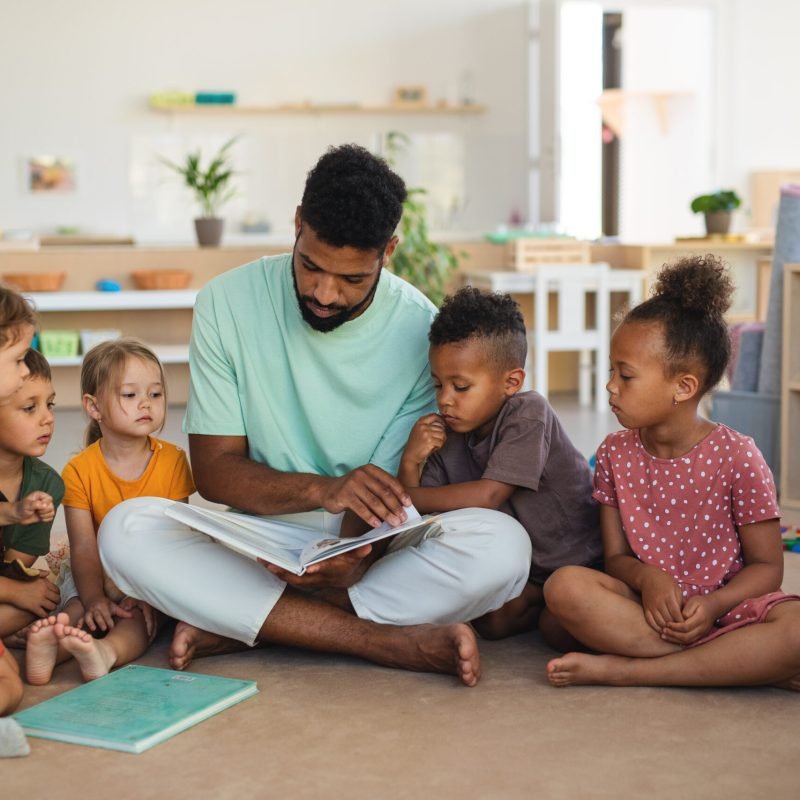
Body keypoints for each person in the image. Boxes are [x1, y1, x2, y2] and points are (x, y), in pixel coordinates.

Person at [98, 144, 531, 687]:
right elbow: (214, 470)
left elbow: (394, 490)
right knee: (125, 530)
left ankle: (245, 623)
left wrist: (356, 557)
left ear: (388, 250)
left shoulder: (421, 329)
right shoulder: (226, 303)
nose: (325, 294)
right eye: (311, 266)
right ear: (297, 224)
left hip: (367, 544)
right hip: (255, 541)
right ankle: (376, 639)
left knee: (504, 545)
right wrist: (325, 490)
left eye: (352, 280)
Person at [543, 254, 800, 689]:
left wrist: (714, 604)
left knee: (794, 629)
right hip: (648, 607)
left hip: (727, 607)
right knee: (563, 592)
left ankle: (628, 670)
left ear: (683, 387)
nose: (610, 385)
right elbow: (616, 558)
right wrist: (649, 579)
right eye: (612, 371)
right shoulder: (613, 454)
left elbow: (766, 568)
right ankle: (735, 662)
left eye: (626, 375)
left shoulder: (739, 457)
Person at [398, 287, 601, 641]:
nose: (445, 399)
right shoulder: (446, 433)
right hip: (524, 572)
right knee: (492, 624)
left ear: (511, 382)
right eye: (438, 384)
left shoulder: (528, 412)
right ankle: (538, 600)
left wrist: (405, 495)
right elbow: (420, 517)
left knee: (562, 628)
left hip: (582, 562)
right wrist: (411, 459)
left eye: (461, 387)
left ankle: (550, 603)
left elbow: (489, 495)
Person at [25, 339, 195, 685]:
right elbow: (84, 548)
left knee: (135, 618)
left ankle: (106, 653)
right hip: (97, 571)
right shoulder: (79, 471)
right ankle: (49, 651)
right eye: (130, 395)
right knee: (77, 610)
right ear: (94, 406)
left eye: (155, 394)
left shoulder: (174, 460)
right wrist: (95, 598)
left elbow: (180, 540)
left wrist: (143, 590)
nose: (146, 403)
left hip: (154, 571)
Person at [0, 287, 48, 715]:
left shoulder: (42, 481)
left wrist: (13, 513)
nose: (22, 373)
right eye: (17, 360)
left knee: (10, 694)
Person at [0, 350, 63, 642]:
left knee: (43, 595)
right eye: (29, 408)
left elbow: (13, 568)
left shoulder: (46, 485)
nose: (47, 419)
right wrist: (16, 592)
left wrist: (22, 589)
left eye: (49, 405)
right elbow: (13, 587)